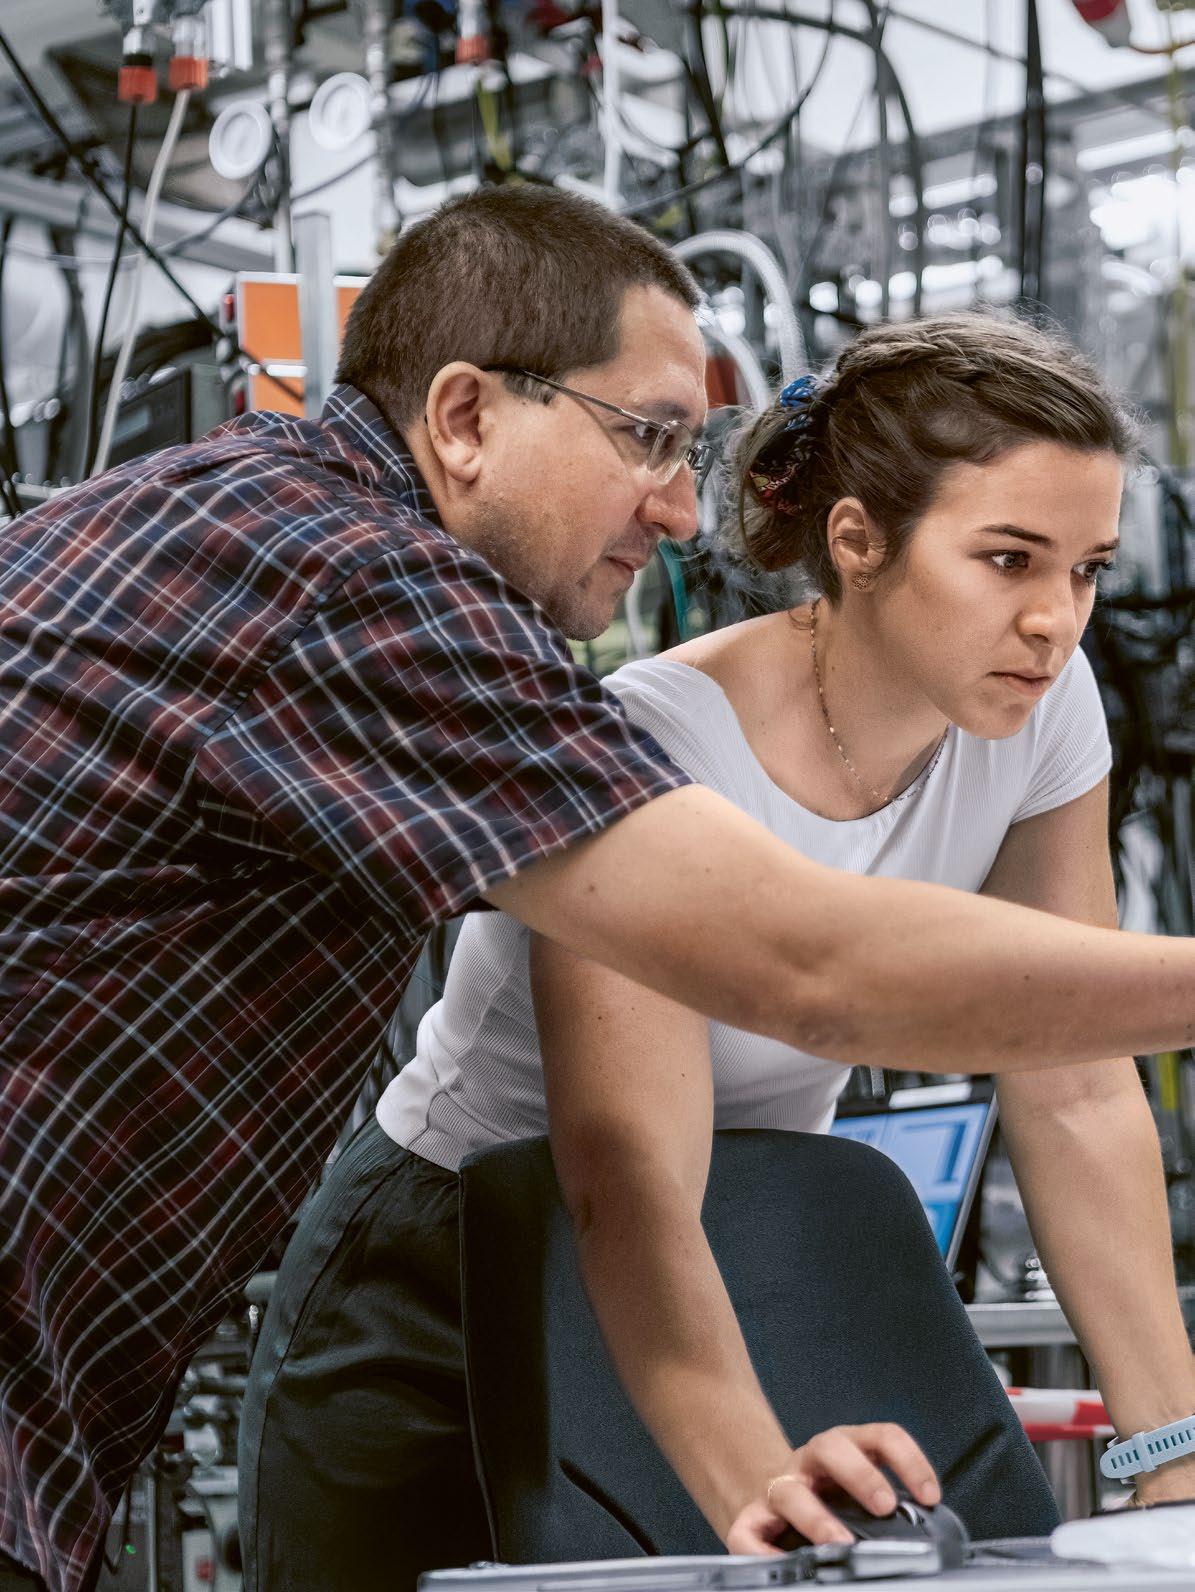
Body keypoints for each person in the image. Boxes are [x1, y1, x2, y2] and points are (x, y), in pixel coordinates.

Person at [4, 188, 1195, 1592]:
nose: (685, 508)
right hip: (453, 1251)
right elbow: (792, 983)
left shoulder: (257, 525)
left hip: (692, 1245)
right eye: (648, 436)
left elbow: (1069, 1080)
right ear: (464, 418)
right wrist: (750, 1475)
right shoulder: (364, 592)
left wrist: (1171, 1457)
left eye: (1087, 570)